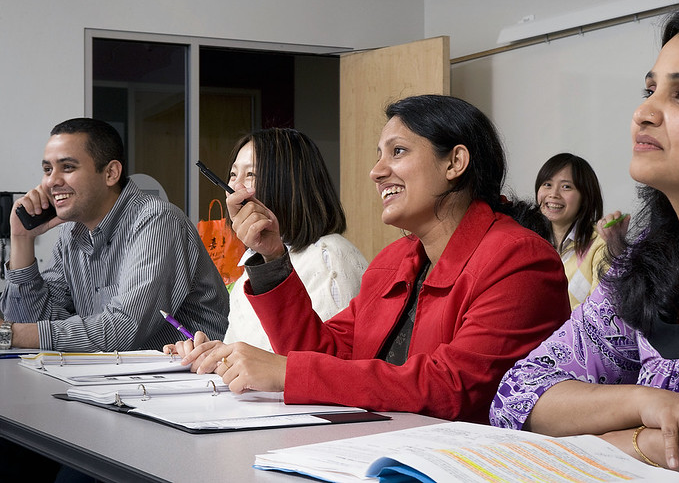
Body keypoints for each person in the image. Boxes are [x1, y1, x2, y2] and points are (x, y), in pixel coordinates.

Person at [491, 2, 679, 481]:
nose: (643, 113)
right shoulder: (646, 259)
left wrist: (644, 444)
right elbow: (518, 397)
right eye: (650, 89)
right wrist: (644, 402)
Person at [168, 94, 571, 423]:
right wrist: (272, 258)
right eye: (379, 155)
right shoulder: (395, 260)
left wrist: (287, 372)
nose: (377, 171)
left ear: (455, 162)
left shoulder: (520, 258)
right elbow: (326, 353)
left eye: (397, 152)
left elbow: (455, 389)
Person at [0, 117, 229, 351]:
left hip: (190, 378)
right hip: (111, 377)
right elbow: (35, 322)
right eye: (47, 169)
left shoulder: (157, 221)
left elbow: (122, 330)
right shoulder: (72, 231)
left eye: (67, 167)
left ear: (111, 173)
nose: (51, 182)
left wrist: (8, 334)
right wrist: (22, 239)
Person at [222, 129, 368, 350]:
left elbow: (326, 362)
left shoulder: (328, 257)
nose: (235, 188)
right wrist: (212, 352)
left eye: (251, 175)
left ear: (288, 183)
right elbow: (241, 350)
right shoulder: (257, 262)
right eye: (233, 175)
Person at [535, 153, 607, 307]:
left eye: (566, 187)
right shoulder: (528, 240)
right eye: (547, 184)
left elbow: (600, 309)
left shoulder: (601, 243)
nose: (553, 194)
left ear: (585, 197)